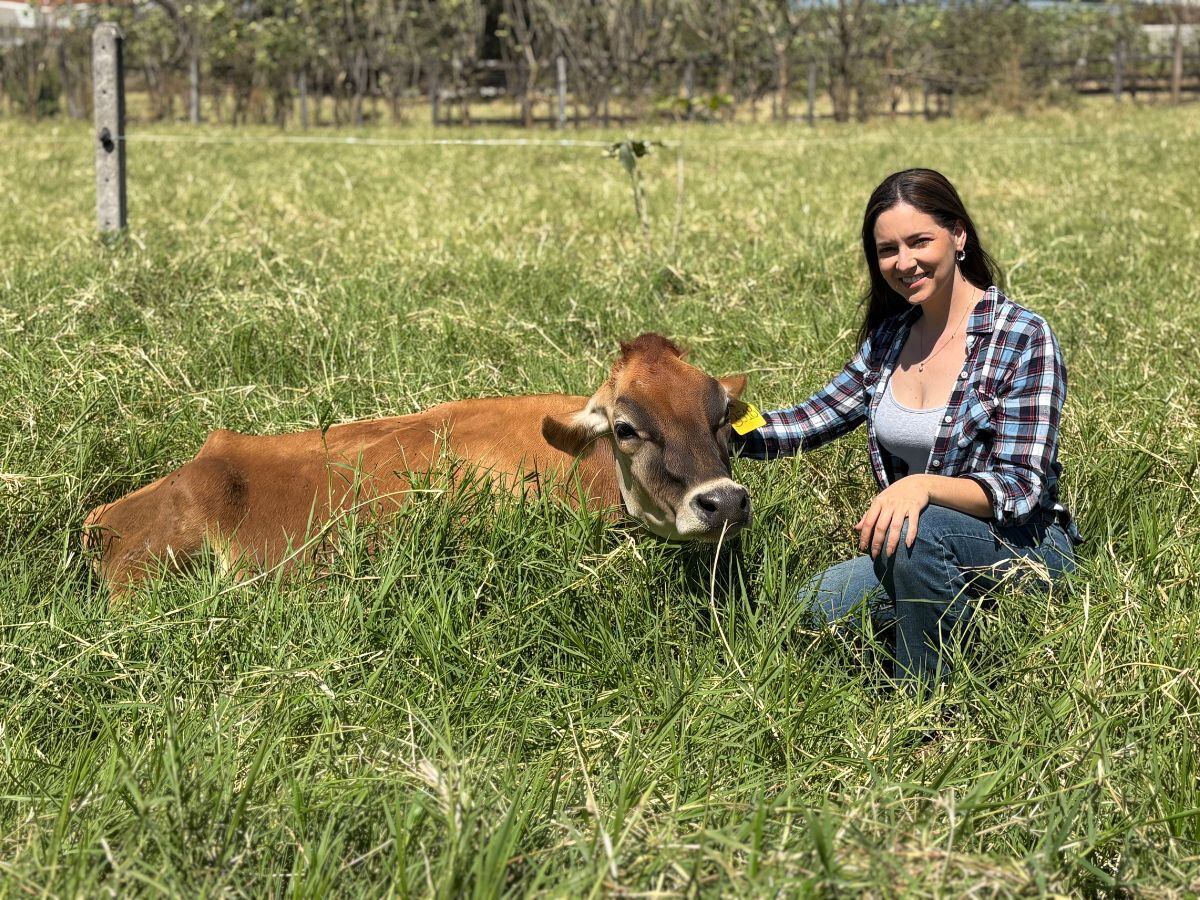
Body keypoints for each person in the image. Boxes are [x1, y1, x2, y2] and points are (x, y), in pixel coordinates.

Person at [734, 168, 1080, 689]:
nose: (904, 262)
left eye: (920, 241)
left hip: (1023, 545)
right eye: (887, 250)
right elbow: (811, 419)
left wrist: (921, 487)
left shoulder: (1022, 336)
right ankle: (963, 623)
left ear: (957, 236)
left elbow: (1020, 487)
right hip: (919, 545)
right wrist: (715, 419)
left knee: (919, 533)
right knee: (810, 608)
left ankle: (929, 706)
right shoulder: (890, 337)